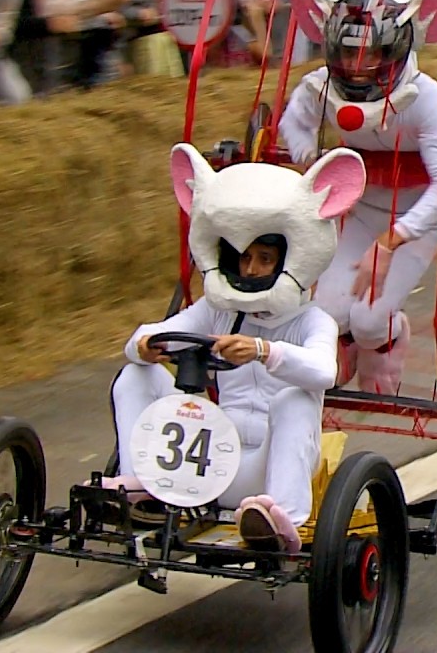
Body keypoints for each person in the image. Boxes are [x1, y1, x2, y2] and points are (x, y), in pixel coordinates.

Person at [100, 142, 366, 554]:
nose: (250, 269)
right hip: (212, 455)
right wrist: (146, 347)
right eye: (243, 258)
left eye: (263, 259)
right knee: (137, 373)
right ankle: (143, 486)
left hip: (269, 467)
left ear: (286, 261)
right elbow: (144, 338)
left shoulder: (312, 320)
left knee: (295, 398)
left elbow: (323, 372)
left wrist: (264, 351)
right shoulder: (216, 311)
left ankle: (283, 519)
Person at [280, 0, 437, 396]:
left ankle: (386, 339)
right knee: (324, 313)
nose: (357, 68)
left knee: (369, 319)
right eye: (347, 55)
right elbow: (293, 123)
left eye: (372, 55)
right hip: (361, 208)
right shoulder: (318, 87)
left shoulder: (426, 98)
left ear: (397, 49)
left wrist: (391, 240)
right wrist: (312, 161)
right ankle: (346, 347)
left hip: (415, 215)